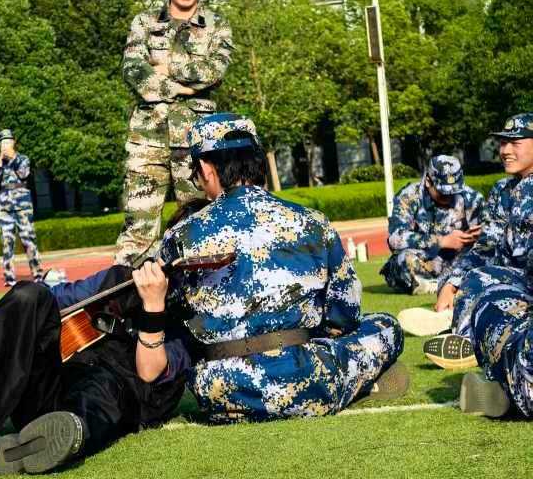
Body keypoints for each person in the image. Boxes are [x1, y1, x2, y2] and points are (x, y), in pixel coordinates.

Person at [160, 113, 408, 423]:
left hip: (222, 390)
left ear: (206, 168)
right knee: (385, 325)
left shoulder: (181, 235)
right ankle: (358, 379)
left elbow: (170, 313)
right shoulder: (312, 221)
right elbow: (345, 313)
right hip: (307, 381)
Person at [0, 260, 191, 474]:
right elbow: (52, 298)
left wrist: (154, 307)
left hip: (103, 402)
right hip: (50, 385)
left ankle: (51, 439)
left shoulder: (187, 324)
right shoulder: (120, 279)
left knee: (105, 387)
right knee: (29, 295)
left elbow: (150, 373)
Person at [115, 0, 233, 266]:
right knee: (138, 229)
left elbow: (214, 72)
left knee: (201, 224)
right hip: (147, 139)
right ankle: (129, 292)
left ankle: (203, 292)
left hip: (197, 141)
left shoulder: (217, 26)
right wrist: (183, 88)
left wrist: (168, 68)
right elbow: (133, 70)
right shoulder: (144, 22)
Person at [414, 113, 533, 381]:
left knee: (485, 287)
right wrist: (452, 282)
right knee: (471, 276)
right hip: (516, 281)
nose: (505, 150)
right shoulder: (503, 191)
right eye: (502, 143)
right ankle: (461, 332)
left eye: (515, 143)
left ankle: (466, 332)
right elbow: (486, 246)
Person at [381, 156, 484, 300]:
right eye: (443, 192)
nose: (449, 196)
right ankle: (440, 285)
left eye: (453, 191)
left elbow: (488, 234)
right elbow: (396, 238)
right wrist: (441, 241)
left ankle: (450, 282)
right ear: (428, 181)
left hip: (459, 260)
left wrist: (474, 237)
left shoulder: (471, 197)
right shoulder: (409, 196)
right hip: (426, 259)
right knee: (403, 260)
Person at [0, 129, 44, 288]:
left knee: (28, 240)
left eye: (7, 142)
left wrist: (12, 158)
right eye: (2, 143)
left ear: (13, 143)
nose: (4, 145)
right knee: (7, 242)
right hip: (4, 206)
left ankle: (38, 274)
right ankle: (9, 277)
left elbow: (24, 173)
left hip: (22, 205)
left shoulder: (22, 159)